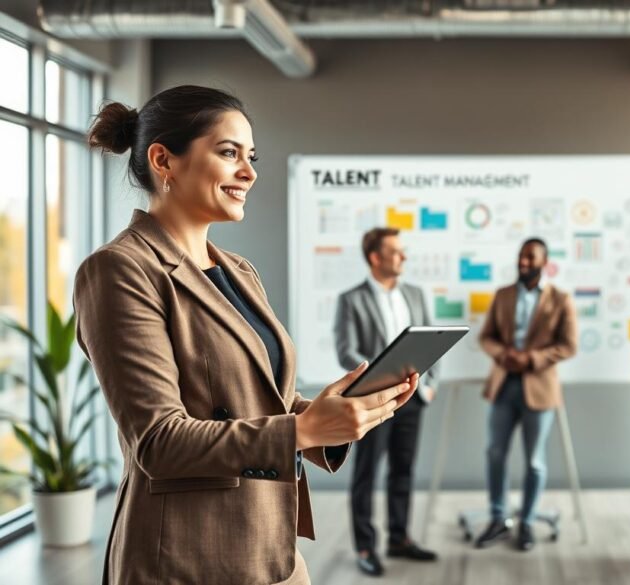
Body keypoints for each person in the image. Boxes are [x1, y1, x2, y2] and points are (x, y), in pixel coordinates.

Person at [74, 85, 418, 585]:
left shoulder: (238, 270)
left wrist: (329, 413)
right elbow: (159, 442)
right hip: (187, 557)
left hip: (271, 547)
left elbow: (252, 399)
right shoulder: (120, 270)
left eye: (251, 156)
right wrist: (303, 430)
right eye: (228, 153)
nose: (250, 173)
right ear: (163, 160)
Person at [334, 227, 439, 577]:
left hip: (414, 397)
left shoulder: (416, 294)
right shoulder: (352, 299)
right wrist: (381, 374)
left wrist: (432, 381)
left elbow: (431, 340)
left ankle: (399, 538)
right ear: (376, 257)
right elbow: (346, 349)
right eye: (396, 251)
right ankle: (365, 545)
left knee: (403, 470)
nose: (403, 257)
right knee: (366, 473)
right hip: (374, 400)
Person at [473, 238, 578, 552]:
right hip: (503, 384)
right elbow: (486, 337)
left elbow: (568, 345)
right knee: (494, 452)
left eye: (530, 257)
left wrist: (531, 359)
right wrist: (503, 353)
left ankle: (528, 522)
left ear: (544, 262)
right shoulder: (503, 295)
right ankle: (497, 519)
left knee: (534, 461)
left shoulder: (560, 299)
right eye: (521, 256)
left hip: (539, 387)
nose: (523, 262)